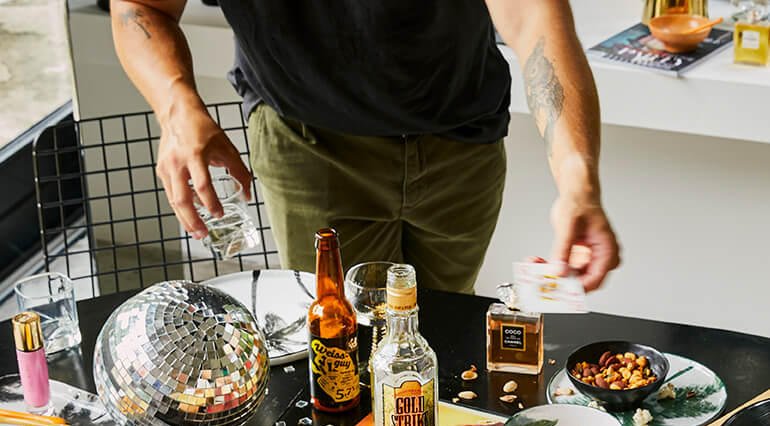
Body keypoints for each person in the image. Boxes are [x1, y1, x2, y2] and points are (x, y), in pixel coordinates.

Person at [108, 0, 620, 294]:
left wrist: (578, 179)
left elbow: (532, 17)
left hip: (463, 142)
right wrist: (176, 105)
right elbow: (140, 7)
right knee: (344, 350)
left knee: (438, 340)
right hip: (309, 146)